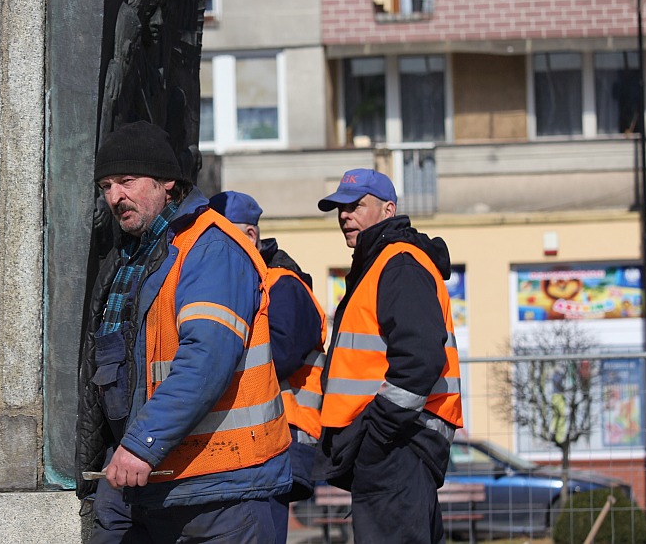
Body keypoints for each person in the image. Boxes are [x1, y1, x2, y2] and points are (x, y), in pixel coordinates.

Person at [75, 121, 292, 543]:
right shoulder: (136, 255)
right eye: (106, 185)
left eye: (127, 181)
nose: (115, 197)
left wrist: (141, 443)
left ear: (167, 183)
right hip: (155, 483)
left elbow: (205, 359)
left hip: (226, 489)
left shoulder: (210, 249)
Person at [312, 168, 463, 544]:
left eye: (356, 205)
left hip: (398, 445)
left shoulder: (398, 263)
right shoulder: (383, 263)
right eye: (339, 209)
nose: (345, 215)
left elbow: (419, 358)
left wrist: (376, 434)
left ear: (388, 209)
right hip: (397, 446)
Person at [209, 190, 327, 544]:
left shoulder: (282, 284)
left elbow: (280, 355)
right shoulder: (248, 283)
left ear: (250, 236)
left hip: (279, 440)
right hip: (259, 440)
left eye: (219, 236)